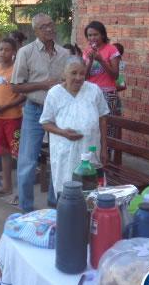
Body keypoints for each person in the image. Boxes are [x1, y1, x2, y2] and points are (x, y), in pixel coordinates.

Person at [11, 13, 69, 212]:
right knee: (27, 159)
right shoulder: (26, 52)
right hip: (34, 110)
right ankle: (26, 208)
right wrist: (44, 84)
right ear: (35, 31)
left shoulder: (64, 54)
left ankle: (54, 205)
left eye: (51, 24)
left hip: (59, 112)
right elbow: (16, 87)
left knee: (59, 158)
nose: (49, 29)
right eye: (44, 26)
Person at [40, 57, 109, 197]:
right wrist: (63, 132)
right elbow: (45, 123)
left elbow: (103, 119)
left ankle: (90, 217)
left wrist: (104, 148)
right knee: (67, 193)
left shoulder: (94, 90)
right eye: (73, 73)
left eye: (82, 73)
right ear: (64, 74)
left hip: (90, 149)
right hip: (65, 152)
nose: (78, 77)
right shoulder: (55, 94)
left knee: (92, 193)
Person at [0, 38, 26, 199]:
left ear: (14, 52)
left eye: (7, 49)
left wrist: (6, 107)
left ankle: (21, 192)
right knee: (3, 152)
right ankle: (7, 187)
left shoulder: (17, 70)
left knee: (17, 153)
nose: (3, 52)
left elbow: (23, 95)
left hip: (13, 118)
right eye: (1, 49)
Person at [82, 21, 121, 122]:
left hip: (108, 93)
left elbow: (115, 76)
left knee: (109, 124)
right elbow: (84, 78)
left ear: (103, 35)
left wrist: (101, 60)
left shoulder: (111, 49)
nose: (92, 38)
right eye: (89, 35)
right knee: (92, 124)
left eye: (96, 34)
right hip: (90, 93)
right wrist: (90, 61)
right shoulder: (87, 51)